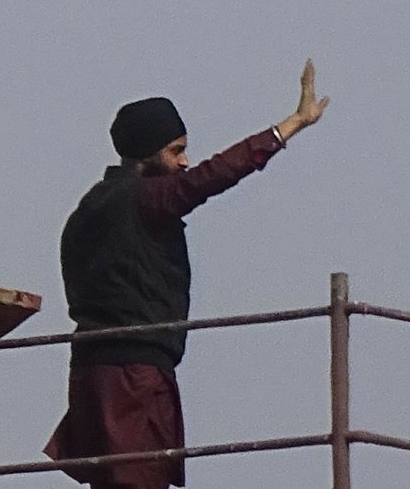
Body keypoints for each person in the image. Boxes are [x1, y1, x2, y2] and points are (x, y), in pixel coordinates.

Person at [50, 71, 332, 489]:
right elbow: (213, 175)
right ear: (147, 155)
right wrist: (291, 125)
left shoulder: (86, 210)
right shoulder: (148, 198)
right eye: (176, 150)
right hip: (135, 375)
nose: (184, 161)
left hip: (91, 373)